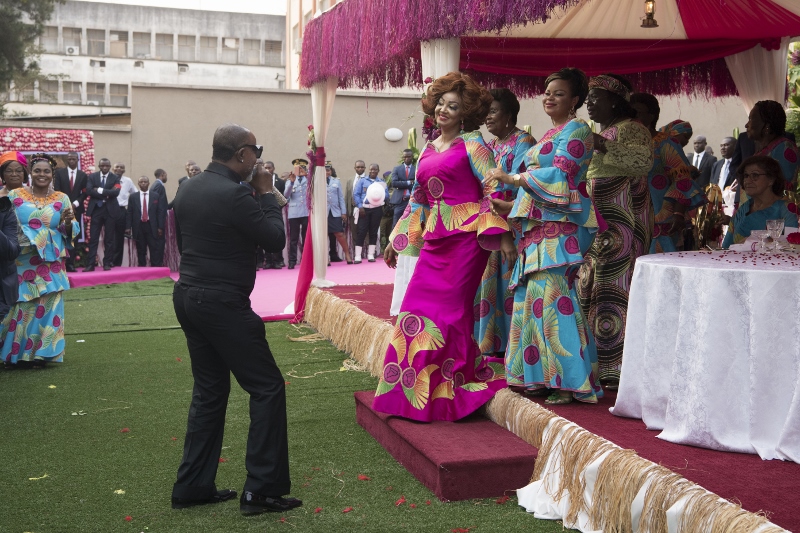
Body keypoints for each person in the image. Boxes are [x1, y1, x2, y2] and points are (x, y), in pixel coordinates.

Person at [171, 124, 300, 515]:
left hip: (188, 296)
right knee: (266, 388)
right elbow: (276, 240)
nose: (258, 159)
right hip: (222, 302)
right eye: (255, 151)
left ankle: (192, 486)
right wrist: (264, 192)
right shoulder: (238, 193)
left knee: (210, 391)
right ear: (243, 154)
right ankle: (261, 489)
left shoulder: (188, 186)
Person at [373, 71, 510, 422]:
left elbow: (493, 189)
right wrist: (397, 242)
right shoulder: (429, 149)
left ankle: (452, 384)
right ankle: (409, 395)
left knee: (449, 314)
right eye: (441, 104)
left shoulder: (474, 145)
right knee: (415, 309)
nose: (444, 110)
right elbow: (418, 200)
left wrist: (502, 232)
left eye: (453, 106)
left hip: (466, 241)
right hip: (435, 239)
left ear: (465, 112)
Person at [487, 69, 602, 404]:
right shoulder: (553, 132)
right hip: (540, 227)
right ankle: (541, 377)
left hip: (562, 227)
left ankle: (568, 383)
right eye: (547, 92)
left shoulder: (578, 129)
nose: (550, 97)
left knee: (551, 301)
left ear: (576, 100)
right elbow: (540, 184)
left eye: (560, 93)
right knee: (533, 301)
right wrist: (510, 205)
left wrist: (513, 178)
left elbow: (561, 174)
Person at [577, 74, 654, 389]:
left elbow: (641, 162)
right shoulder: (602, 130)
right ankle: (596, 364)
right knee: (593, 287)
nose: (589, 103)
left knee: (615, 291)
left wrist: (599, 143)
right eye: (589, 98)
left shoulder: (633, 129)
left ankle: (618, 369)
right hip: (600, 225)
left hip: (623, 224)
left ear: (616, 100)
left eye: (596, 97)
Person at [0, 153, 77, 369]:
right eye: (37, 171)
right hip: (22, 262)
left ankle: (40, 355)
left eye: (46, 171)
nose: (41, 175)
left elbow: (71, 229)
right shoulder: (14, 195)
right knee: (21, 308)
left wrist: (69, 224)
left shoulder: (62, 199)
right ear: (30, 174)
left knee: (48, 307)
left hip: (50, 264)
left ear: (52, 175)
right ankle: (14, 355)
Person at [474, 87, 535, 357]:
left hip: (512, 226)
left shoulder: (523, 142)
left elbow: (526, 187)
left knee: (510, 284)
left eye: (494, 111)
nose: (488, 117)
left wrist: (507, 231)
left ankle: (513, 348)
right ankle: (491, 344)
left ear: (509, 114)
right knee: (489, 284)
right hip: (489, 223)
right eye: (486, 112)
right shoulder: (491, 146)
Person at [630, 92, 706, 253]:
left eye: (637, 112)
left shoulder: (665, 142)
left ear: (651, 116)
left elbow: (682, 180)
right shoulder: (621, 144)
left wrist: (678, 213)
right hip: (628, 217)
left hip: (660, 218)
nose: (632, 116)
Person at [721, 155, 798, 248]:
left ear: (771, 180)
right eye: (746, 176)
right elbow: (726, 248)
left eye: (755, 175)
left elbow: (793, 244)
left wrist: (757, 243)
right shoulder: (743, 209)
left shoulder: (787, 209)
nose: (747, 181)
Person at [740, 100, 799, 197]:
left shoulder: (784, 149)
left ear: (767, 126)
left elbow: (783, 192)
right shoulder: (764, 150)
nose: (746, 125)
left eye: (751, 119)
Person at [84, 158, 121, 272]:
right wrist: (107, 194)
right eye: (102, 166)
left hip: (110, 210)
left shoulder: (115, 177)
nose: (104, 168)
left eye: (107, 166)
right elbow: (89, 191)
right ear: (99, 166)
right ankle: (91, 264)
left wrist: (99, 190)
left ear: (110, 167)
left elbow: (116, 192)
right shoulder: (92, 176)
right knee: (93, 238)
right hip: (96, 210)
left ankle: (107, 263)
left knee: (109, 239)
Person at [53, 151, 88, 272]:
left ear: (77, 160)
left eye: (73, 159)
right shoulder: (59, 173)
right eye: (69, 159)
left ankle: (70, 264)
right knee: (61, 235)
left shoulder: (83, 175)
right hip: (62, 209)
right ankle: (60, 263)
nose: (71, 161)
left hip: (76, 210)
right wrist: (67, 204)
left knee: (74, 237)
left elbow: (85, 192)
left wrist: (75, 203)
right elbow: (57, 190)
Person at [0, 152, 22, 324]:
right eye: (9, 171)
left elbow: (12, 250)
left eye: (18, 170)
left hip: (6, 278)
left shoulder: (4, 208)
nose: (14, 174)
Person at [127, 176, 166, 266]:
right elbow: (130, 212)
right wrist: (128, 227)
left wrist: (160, 227)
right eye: (141, 182)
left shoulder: (155, 195)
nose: (143, 183)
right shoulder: (133, 197)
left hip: (152, 226)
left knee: (154, 248)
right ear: (138, 184)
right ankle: (142, 268)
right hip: (139, 226)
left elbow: (160, 212)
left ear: (148, 183)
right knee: (141, 249)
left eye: (145, 182)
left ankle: (155, 268)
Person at [353, 163, 388, 263]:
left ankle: (370, 254)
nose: (373, 171)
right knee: (362, 231)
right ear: (368, 170)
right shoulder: (362, 181)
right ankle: (357, 256)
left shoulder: (381, 182)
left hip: (377, 209)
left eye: (375, 170)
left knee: (373, 232)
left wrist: (380, 194)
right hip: (364, 209)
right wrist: (360, 207)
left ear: (378, 170)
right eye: (371, 170)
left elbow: (386, 196)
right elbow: (356, 194)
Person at [111, 163, 138, 267]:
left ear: (124, 170)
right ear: (113, 169)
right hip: (109, 210)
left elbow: (135, 193)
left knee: (119, 237)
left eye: (121, 167)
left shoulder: (128, 181)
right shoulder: (108, 179)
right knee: (109, 237)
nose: (119, 168)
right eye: (117, 167)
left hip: (122, 210)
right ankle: (108, 260)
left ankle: (117, 262)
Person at [283, 158, 309, 269]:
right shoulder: (290, 181)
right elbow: (286, 195)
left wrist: (308, 176)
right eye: (298, 168)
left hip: (306, 212)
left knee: (305, 237)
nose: (300, 170)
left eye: (302, 168)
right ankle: (292, 260)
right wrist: (292, 182)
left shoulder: (309, 180)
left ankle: (305, 260)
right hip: (294, 213)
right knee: (293, 238)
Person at [325, 162, 353, 264]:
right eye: (324, 170)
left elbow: (341, 197)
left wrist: (343, 212)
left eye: (328, 170)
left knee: (340, 234)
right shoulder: (317, 182)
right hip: (323, 213)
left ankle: (347, 254)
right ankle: (325, 258)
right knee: (324, 236)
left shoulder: (336, 181)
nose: (326, 172)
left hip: (335, 212)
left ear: (331, 171)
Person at [263, 161, 286, 269]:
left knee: (277, 234)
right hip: (264, 211)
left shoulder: (280, 182)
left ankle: (278, 260)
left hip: (276, 211)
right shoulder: (259, 181)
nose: (267, 170)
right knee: (266, 235)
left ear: (273, 168)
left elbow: (283, 198)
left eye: (269, 167)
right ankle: (268, 261)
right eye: (265, 168)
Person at [389, 149, 416, 228]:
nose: (406, 159)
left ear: (412, 157)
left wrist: (401, 183)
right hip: (400, 201)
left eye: (409, 157)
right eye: (405, 157)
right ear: (402, 157)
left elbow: (418, 184)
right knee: (396, 223)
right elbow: (394, 183)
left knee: (411, 223)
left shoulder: (416, 169)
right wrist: (409, 182)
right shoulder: (397, 169)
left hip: (412, 200)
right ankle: (393, 240)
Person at [347, 160, 367, 259]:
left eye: (362, 167)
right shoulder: (350, 180)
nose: (360, 169)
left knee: (365, 232)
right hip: (353, 210)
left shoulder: (368, 180)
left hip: (365, 210)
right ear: (355, 168)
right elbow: (347, 197)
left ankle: (368, 253)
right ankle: (357, 254)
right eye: (358, 167)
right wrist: (346, 212)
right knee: (354, 232)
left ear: (365, 168)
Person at [379, 170, 395, 254]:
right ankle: (382, 249)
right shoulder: (382, 187)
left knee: (390, 233)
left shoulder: (395, 189)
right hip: (383, 215)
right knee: (382, 233)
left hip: (392, 214)